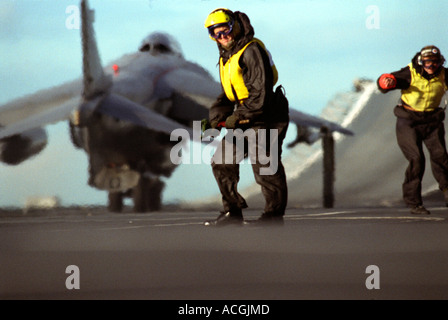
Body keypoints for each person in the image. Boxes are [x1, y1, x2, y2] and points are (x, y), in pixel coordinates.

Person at [203, 8, 289, 226]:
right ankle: (232, 211)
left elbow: (260, 95)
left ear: (235, 26)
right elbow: (230, 93)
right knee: (222, 161)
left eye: (226, 30)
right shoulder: (227, 56)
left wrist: (236, 118)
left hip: (267, 114)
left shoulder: (251, 50)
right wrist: (215, 118)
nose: (223, 37)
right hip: (244, 114)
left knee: (265, 165)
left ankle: (273, 216)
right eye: (216, 34)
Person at [377, 45, 448, 215]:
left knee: (441, 157)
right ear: (421, 62)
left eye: (435, 63)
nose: (431, 67)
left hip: (432, 121)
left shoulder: (445, 75)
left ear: (440, 62)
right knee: (416, 159)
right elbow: (387, 80)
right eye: (427, 63)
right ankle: (414, 203)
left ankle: (447, 192)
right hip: (408, 121)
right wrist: (386, 82)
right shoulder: (410, 72)